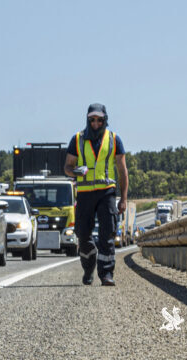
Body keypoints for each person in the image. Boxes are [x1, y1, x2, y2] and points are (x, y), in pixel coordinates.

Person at [64, 103, 128, 286]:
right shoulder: (77, 139)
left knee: (108, 232)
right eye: (92, 119)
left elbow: (123, 171)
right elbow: (67, 167)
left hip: (106, 192)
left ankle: (106, 273)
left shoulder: (114, 140)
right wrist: (75, 172)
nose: (96, 123)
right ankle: (88, 266)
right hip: (84, 193)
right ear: (87, 119)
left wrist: (123, 199)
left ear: (105, 119)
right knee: (83, 234)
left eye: (100, 120)